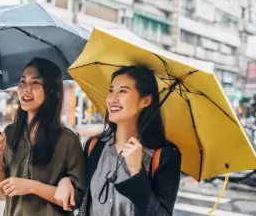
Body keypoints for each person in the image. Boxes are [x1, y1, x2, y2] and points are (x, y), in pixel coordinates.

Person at [77, 65, 182, 215]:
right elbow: (79, 196)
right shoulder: (94, 146)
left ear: (145, 101)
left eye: (123, 91)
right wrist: (65, 181)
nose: (113, 99)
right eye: (111, 90)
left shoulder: (164, 155)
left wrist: (136, 171)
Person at [0, 58, 87, 215]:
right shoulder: (10, 133)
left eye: (35, 83)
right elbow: (1, 194)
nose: (26, 88)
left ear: (51, 90)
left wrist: (32, 186)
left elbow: (77, 199)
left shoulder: (68, 139)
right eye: (22, 81)